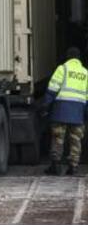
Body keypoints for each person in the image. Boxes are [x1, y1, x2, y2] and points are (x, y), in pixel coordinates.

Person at [42, 46, 88, 176]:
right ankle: (73, 167)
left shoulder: (63, 69)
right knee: (76, 140)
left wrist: (45, 105)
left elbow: (52, 89)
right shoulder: (85, 73)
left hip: (61, 110)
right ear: (79, 58)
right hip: (78, 111)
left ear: (67, 57)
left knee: (58, 138)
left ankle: (55, 166)